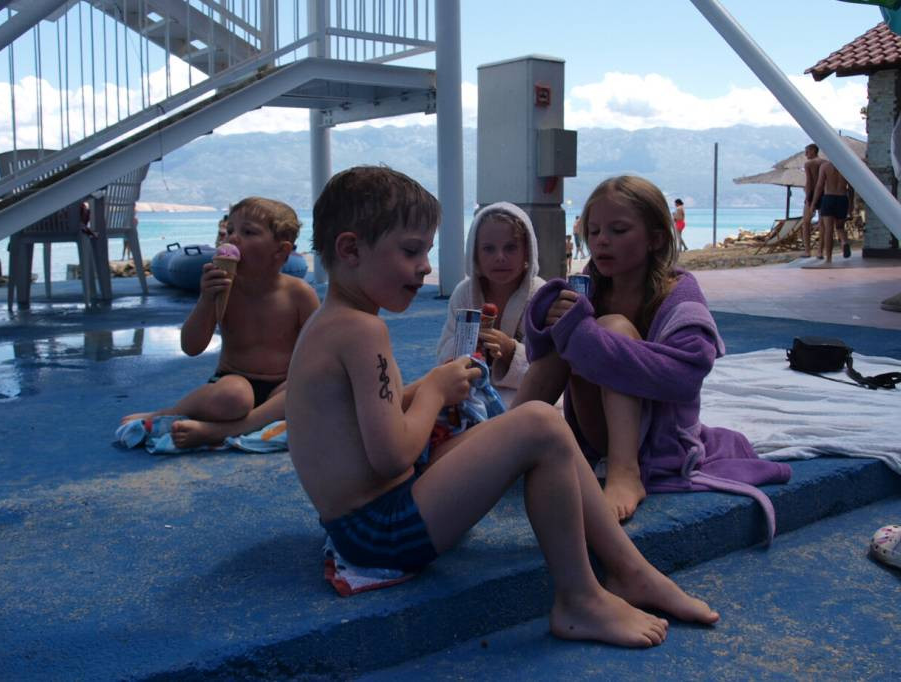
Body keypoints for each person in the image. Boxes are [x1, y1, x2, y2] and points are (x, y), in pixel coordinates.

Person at [287, 166, 718, 647]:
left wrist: (425, 390)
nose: (426, 267)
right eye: (411, 252)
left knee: (542, 430)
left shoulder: (335, 321)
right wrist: (432, 392)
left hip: (365, 523)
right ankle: (581, 598)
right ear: (350, 250)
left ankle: (629, 571)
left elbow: (360, 418)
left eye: (427, 251)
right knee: (539, 424)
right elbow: (390, 456)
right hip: (381, 533)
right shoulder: (362, 331)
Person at [513, 176, 791, 522]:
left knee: (610, 328)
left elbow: (684, 379)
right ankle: (508, 442)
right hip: (595, 433)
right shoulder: (590, 287)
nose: (602, 241)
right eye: (594, 231)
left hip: (658, 442)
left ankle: (625, 473)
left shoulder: (679, 297)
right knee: (571, 334)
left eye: (618, 230)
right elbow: (543, 357)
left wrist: (588, 337)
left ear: (655, 239)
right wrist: (552, 319)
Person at [122, 197, 320, 447]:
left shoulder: (299, 294)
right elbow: (191, 346)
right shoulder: (225, 290)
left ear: (280, 251)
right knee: (234, 397)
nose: (233, 238)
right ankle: (168, 413)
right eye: (230, 231)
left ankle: (223, 430)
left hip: (281, 388)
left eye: (248, 232)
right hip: (233, 382)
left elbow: (319, 353)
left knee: (307, 389)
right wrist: (206, 299)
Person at [435, 203, 545, 406]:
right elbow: (443, 357)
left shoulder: (540, 295)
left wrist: (510, 350)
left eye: (510, 248)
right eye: (488, 249)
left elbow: (548, 370)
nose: (500, 257)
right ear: (474, 254)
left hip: (529, 395)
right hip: (471, 392)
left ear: (527, 252)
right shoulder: (464, 294)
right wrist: (466, 344)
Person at [811, 160, 852, 264]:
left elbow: (819, 186)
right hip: (842, 198)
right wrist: (851, 205)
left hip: (829, 197)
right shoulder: (846, 166)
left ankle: (829, 258)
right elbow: (851, 188)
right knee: (840, 227)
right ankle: (844, 242)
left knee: (828, 230)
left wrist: (813, 203)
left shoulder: (825, 166)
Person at [801, 143, 826, 258]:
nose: (805, 154)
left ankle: (807, 251)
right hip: (825, 193)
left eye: (807, 152)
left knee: (806, 223)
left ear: (812, 151)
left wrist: (808, 198)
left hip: (812, 193)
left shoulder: (809, 164)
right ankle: (820, 251)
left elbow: (809, 182)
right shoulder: (825, 163)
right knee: (822, 224)